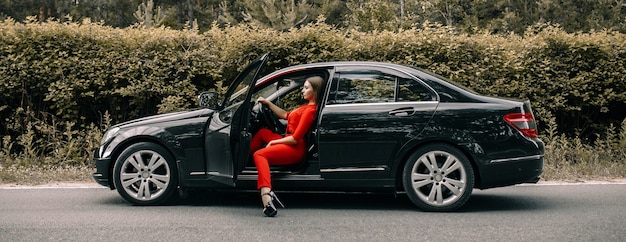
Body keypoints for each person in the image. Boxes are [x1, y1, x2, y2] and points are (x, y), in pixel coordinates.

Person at [249, 76, 324, 217]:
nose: (302, 90)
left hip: (295, 149)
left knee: (259, 154)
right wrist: (267, 102)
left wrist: (274, 143)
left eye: (306, 88)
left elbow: (295, 139)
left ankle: (266, 193)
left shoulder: (310, 111)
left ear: (315, 91)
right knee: (263, 133)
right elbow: (285, 115)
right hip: (287, 140)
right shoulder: (306, 107)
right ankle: (243, 163)